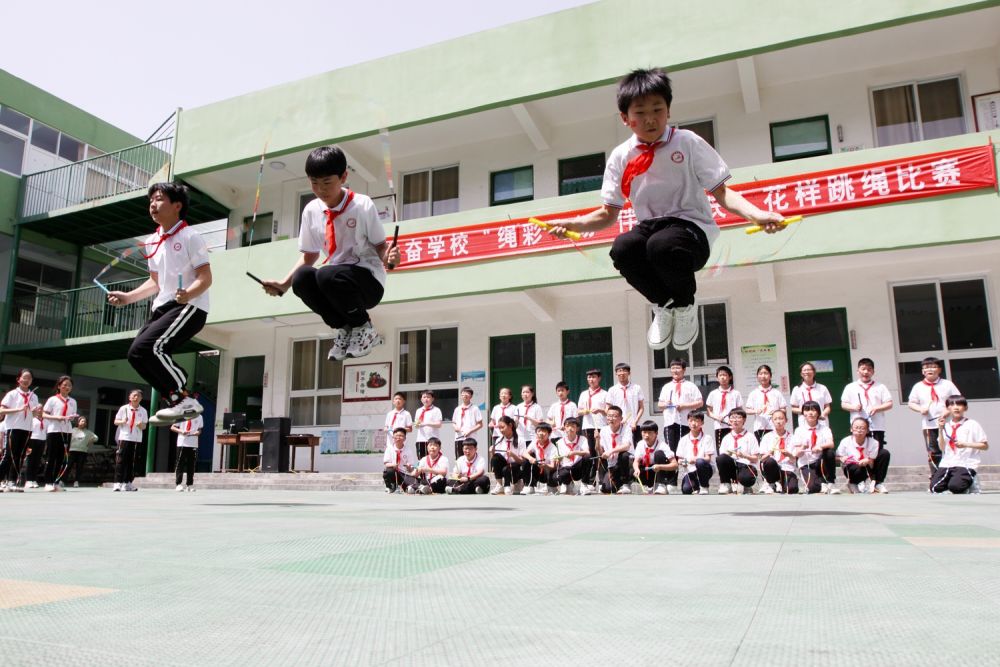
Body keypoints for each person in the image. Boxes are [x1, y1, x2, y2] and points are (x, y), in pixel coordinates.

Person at [545, 68, 785, 351]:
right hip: (651, 229)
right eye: (640, 112)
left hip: (689, 230)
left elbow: (721, 192)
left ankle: (685, 306)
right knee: (623, 248)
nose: (650, 118)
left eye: (657, 109)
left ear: (668, 110)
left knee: (662, 245)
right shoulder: (621, 157)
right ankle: (665, 304)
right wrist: (573, 225)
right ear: (626, 118)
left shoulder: (688, 143)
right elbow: (608, 214)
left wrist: (758, 214)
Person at [261, 146, 399, 360]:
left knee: (327, 274)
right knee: (303, 277)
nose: (320, 189)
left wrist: (389, 256)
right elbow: (309, 257)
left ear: (343, 177)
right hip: (336, 285)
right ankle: (344, 328)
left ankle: (364, 327)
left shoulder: (362, 205)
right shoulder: (311, 211)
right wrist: (283, 285)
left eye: (327, 182)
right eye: (314, 183)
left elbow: (381, 246)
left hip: (367, 283)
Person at [107, 183, 211, 425]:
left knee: (149, 348)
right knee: (136, 354)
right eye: (151, 200)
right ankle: (176, 398)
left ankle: (185, 397)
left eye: (159, 199)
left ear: (177, 205)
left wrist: (188, 293)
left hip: (189, 306)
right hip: (163, 306)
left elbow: (206, 278)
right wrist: (128, 297)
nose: (153, 204)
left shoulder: (190, 236)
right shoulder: (152, 240)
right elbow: (155, 282)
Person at [907, 357, 960, 474]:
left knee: (951, 448)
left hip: (948, 424)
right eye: (926, 367)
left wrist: (948, 410)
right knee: (933, 452)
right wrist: (920, 409)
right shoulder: (918, 386)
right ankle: (937, 478)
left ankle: (954, 476)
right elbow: (911, 403)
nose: (929, 369)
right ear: (922, 371)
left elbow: (958, 400)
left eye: (933, 366)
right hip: (929, 425)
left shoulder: (947, 384)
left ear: (939, 369)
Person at [931, 396, 988, 494]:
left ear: (965, 408)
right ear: (948, 409)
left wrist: (966, 444)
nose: (956, 407)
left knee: (956, 487)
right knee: (934, 488)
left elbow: (985, 446)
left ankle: (970, 481)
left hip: (966, 463)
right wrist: (940, 429)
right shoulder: (947, 426)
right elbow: (942, 447)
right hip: (948, 463)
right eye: (952, 405)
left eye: (959, 404)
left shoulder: (972, 424)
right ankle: (954, 481)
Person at [0, 369, 40, 492]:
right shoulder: (12, 394)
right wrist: (18, 409)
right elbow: (2, 410)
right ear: (18, 379)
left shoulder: (34, 396)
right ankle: (1, 480)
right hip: (13, 427)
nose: (26, 380)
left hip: (27, 428)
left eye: (29, 378)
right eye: (24, 377)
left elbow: (33, 414)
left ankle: (12, 481)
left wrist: (35, 412)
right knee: (9, 455)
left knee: (21, 456)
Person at [841, 358, 893, 449]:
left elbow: (889, 404)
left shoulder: (880, 386)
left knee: (877, 451)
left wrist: (877, 408)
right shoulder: (850, 387)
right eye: (863, 369)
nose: (866, 372)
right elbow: (843, 404)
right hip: (858, 427)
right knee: (859, 450)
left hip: (876, 426)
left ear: (873, 372)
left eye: (869, 370)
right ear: (858, 371)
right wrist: (854, 407)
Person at [656, 358, 703, 452]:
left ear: (684, 369)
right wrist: (666, 404)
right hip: (670, 422)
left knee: (686, 449)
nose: (675, 370)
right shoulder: (666, 386)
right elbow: (659, 405)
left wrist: (684, 406)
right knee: (671, 450)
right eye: (673, 368)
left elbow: (700, 402)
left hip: (687, 422)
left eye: (678, 368)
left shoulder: (691, 386)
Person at [790, 401, 836, 495]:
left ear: (818, 413)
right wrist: (803, 446)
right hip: (806, 463)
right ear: (803, 413)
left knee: (829, 453)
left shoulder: (825, 428)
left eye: (813, 410)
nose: (810, 413)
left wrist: (820, 446)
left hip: (820, 461)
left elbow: (831, 443)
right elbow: (797, 454)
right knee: (813, 488)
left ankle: (830, 482)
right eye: (807, 410)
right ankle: (820, 483)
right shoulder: (799, 430)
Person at [836, 418, 891, 494]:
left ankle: (877, 484)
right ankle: (853, 483)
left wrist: (868, 460)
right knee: (855, 467)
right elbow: (836, 457)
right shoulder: (845, 441)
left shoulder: (874, 443)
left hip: (867, 467)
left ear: (867, 430)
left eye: (862, 428)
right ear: (851, 429)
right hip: (852, 468)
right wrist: (841, 458)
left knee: (884, 453)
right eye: (856, 427)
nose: (859, 430)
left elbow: (872, 461)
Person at [42, 376, 78, 492]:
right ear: (59, 386)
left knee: (62, 458)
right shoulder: (53, 399)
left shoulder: (73, 401)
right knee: (51, 457)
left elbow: (72, 416)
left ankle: (56, 481)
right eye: (64, 384)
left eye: (69, 385)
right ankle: (48, 482)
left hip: (67, 431)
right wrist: (57, 417)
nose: (67, 387)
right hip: (54, 430)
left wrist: (72, 418)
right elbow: (44, 414)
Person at [716, 409, 759, 495]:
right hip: (732, 465)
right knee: (721, 458)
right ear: (729, 420)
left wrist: (745, 456)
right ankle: (726, 484)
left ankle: (747, 485)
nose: (735, 420)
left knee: (746, 478)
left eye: (739, 417)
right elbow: (722, 458)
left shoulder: (750, 437)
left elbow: (755, 459)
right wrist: (729, 454)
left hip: (746, 465)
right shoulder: (726, 438)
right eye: (733, 417)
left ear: (744, 420)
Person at [113, 389, 148, 492]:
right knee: (121, 461)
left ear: (141, 398)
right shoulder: (124, 408)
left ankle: (128, 483)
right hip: (124, 437)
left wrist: (140, 425)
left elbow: (144, 426)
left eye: (138, 396)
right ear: (130, 397)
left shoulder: (143, 411)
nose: (136, 398)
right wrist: (122, 421)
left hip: (136, 439)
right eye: (134, 396)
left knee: (132, 461)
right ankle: (117, 483)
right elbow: (115, 421)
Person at [632, 420, 678, 495]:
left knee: (659, 454)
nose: (646, 435)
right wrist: (636, 469)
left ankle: (661, 485)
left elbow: (675, 465)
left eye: (649, 433)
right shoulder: (640, 444)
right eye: (644, 432)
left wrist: (660, 466)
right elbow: (636, 461)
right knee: (632, 468)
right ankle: (646, 486)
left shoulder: (662, 445)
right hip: (648, 470)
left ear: (656, 433)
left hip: (660, 471)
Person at [597, 405, 634, 494]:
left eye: (614, 416)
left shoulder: (626, 428)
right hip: (612, 465)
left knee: (624, 454)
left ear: (621, 418)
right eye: (609, 416)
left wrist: (611, 451)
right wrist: (597, 440)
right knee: (607, 489)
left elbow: (627, 446)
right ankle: (610, 483)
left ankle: (626, 483)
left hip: (627, 463)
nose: (611, 418)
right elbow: (600, 451)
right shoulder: (603, 430)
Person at [675, 412, 715, 495]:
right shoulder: (683, 440)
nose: (693, 423)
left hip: (705, 468)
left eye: (697, 421)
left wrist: (696, 460)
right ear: (688, 422)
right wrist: (686, 462)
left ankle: (704, 486)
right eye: (691, 420)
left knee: (700, 462)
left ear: (702, 422)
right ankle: (697, 485)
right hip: (690, 470)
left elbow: (708, 458)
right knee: (686, 489)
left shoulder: (707, 438)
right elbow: (679, 460)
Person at [759, 409, 797, 494]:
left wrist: (789, 455)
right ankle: (771, 483)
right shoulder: (767, 437)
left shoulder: (792, 437)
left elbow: (794, 459)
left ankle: (781, 482)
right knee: (770, 461)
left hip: (787, 467)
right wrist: (769, 454)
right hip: (773, 467)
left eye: (781, 418)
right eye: (775, 419)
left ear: (786, 420)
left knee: (791, 489)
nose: (778, 421)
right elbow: (762, 459)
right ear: (772, 421)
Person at [605, 363, 645, 444]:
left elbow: (641, 408)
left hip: (634, 425)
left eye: (624, 371)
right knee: (621, 449)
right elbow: (607, 409)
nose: (622, 373)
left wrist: (635, 422)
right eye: (619, 371)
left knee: (636, 449)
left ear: (629, 373)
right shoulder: (612, 390)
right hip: (618, 426)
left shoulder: (637, 388)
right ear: (616, 373)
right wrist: (616, 420)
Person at [745, 365, 787, 441]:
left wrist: (776, 412)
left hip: (775, 427)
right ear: (757, 377)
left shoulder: (776, 393)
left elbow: (783, 409)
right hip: (759, 427)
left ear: (770, 376)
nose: (763, 376)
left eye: (766, 373)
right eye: (760, 374)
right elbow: (747, 410)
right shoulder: (753, 393)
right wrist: (756, 411)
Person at [705, 365, 741, 449]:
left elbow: (740, 411)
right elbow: (708, 411)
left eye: (725, 375)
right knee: (721, 450)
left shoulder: (736, 393)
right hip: (719, 426)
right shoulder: (713, 393)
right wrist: (716, 417)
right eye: (720, 375)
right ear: (717, 378)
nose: (723, 378)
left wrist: (734, 419)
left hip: (733, 426)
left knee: (734, 449)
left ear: (730, 377)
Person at [556, 417, 593, 495]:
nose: (570, 428)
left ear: (577, 428)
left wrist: (574, 452)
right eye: (567, 426)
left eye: (573, 426)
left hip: (578, 468)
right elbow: (558, 458)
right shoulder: (559, 442)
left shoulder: (582, 439)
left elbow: (587, 452)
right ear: (564, 428)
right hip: (566, 467)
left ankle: (584, 484)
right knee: (561, 474)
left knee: (587, 457)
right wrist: (558, 458)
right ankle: (566, 483)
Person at [789, 362, 833, 429]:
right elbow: (793, 408)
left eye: (809, 369)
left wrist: (822, 414)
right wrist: (806, 411)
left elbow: (827, 407)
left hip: (821, 421)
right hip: (804, 422)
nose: (807, 372)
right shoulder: (796, 389)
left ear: (814, 372)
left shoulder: (822, 388)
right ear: (801, 374)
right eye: (804, 370)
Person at [489, 416, 523, 495]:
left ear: (510, 425)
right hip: (504, 467)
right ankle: (499, 484)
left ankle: (509, 485)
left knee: (507, 468)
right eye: (499, 428)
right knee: (496, 457)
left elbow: (522, 461)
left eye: (502, 427)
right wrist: (492, 452)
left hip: (515, 468)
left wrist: (513, 455)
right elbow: (495, 461)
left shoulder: (520, 440)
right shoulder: (499, 440)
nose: (501, 430)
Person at [523, 423, 559, 495]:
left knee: (553, 472)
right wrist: (531, 458)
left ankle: (551, 486)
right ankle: (530, 486)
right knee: (526, 461)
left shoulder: (553, 448)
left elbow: (553, 466)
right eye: (539, 431)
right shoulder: (534, 443)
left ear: (549, 434)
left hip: (548, 471)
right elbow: (524, 453)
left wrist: (545, 465)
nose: (541, 433)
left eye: (544, 431)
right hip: (538, 469)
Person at [577, 369, 607, 452]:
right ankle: (592, 465)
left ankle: (602, 465)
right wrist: (585, 411)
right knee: (590, 450)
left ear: (599, 378)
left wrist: (600, 410)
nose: (591, 380)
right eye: (589, 377)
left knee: (601, 449)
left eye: (594, 377)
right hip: (587, 426)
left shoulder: (605, 394)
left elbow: (608, 412)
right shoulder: (583, 394)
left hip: (601, 425)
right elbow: (578, 411)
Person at [170, 415, 202, 492]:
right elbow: (172, 427)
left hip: (193, 443)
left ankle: (189, 484)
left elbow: (200, 430)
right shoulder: (181, 415)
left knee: (191, 464)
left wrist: (197, 433)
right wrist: (181, 431)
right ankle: (178, 484)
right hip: (182, 442)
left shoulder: (199, 416)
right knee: (180, 463)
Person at [451, 386, 484, 459]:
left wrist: (470, 431)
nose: (465, 395)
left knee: (470, 457)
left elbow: (480, 424)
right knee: (459, 457)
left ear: (471, 396)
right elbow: (453, 422)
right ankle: (459, 470)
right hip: (459, 437)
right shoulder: (457, 409)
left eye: (467, 394)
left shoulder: (475, 408)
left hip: (470, 437)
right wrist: (455, 427)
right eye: (463, 394)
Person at [67, 416, 99, 488]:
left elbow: (96, 438)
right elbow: (67, 438)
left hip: (82, 451)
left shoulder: (88, 432)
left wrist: (90, 441)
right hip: (72, 451)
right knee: (68, 466)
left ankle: (76, 481)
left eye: (85, 421)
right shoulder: (73, 430)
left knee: (79, 467)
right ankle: (62, 481)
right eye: (82, 421)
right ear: (78, 422)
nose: (83, 423)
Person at [382, 427, 416, 493]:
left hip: (404, 473)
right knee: (388, 470)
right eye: (396, 436)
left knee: (413, 483)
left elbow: (411, 468)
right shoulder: (389, 448)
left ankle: (406, 487)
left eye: (401, 436)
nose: (398, 437)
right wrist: (393, 465)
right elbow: (386, 463)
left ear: (405, 438)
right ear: (393, 437)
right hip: (394, 472)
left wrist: (409, 467)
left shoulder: (408, 450)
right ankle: (390, 486)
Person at [413, 390, 443, 460]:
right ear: (421, 399)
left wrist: (426, 423)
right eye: (424, 397)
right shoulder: (418, 410)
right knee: (421, 460)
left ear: (432, 399)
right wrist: (417, 425)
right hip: (420, 439)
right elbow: (416, 425)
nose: (426, 399)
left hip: (433, 439)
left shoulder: (436, 410)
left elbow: (439, 424)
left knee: (434, 460)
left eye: (428, 397)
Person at [515, 385, 545, 453]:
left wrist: (530, 419)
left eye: (527, 392)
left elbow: (540, 424)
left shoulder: (537, 407)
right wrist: (516, 421)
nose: (525, 394)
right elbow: (515, 425)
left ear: (532, 394)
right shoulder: (518, 407)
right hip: (520, 437)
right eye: (523, 392)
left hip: (532, 437)